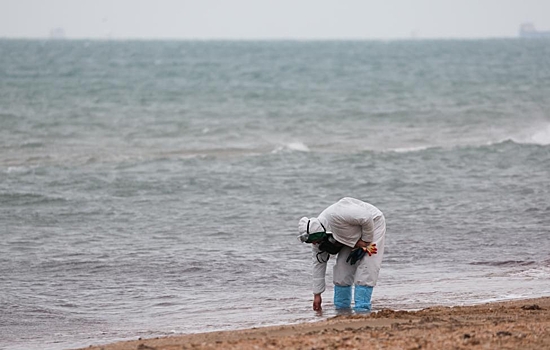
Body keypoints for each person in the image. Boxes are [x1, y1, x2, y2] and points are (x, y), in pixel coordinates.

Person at [298, 197, 386, 312]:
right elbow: (318, 264)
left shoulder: (336, 213)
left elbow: (366, 218)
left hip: (373, 223)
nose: (314, 243)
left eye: (315, 240)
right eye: (311, 242)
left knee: (367, 266)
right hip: (349, 235)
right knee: (342, 269)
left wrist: (365, 241)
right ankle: (342, 310)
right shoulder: (317, 239)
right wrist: (317, 294)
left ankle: (362, 309)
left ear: (322, 232)